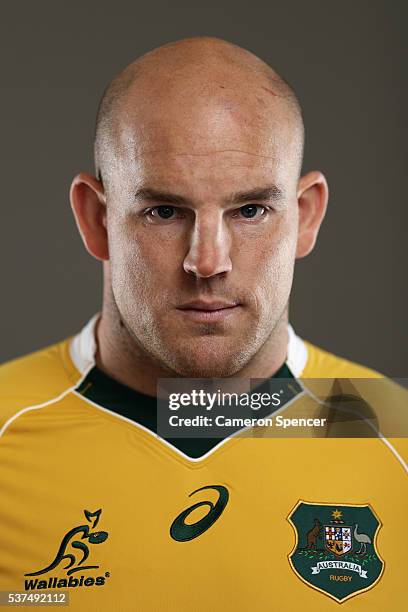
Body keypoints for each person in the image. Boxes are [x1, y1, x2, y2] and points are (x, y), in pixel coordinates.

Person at [0, 37, 406, 610]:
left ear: (306, 217)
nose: (208, 261)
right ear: (96, 220)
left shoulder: (398, 439)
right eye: (164, 212)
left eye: (250, 211)